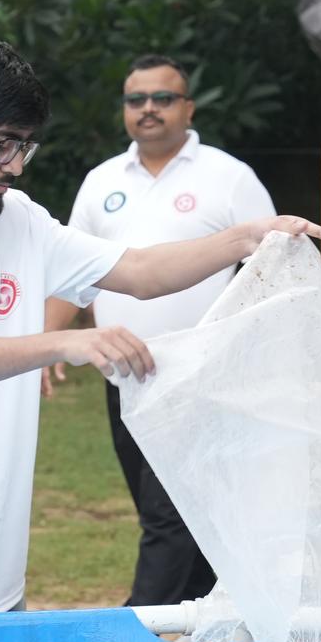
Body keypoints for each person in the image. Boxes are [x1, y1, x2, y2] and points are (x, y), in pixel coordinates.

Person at [0, 31, 321, 618]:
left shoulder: (18, 220)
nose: (14, 166)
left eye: (24, 147)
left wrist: (244, 237)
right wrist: (67, 341)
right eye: (2, 144)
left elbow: (139, 270)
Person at [43, 54, 275, 607]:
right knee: (168, 506)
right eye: (136, 100)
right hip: (123, 376)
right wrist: (46, 346)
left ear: (187, 108)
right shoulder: (102, 183)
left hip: (204, 376)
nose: (148, 109)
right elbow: (72, 273)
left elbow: (272, 266)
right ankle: (200, 610)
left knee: (167, 511)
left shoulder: (228, 176)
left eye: (162, 98)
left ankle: (142, 623)